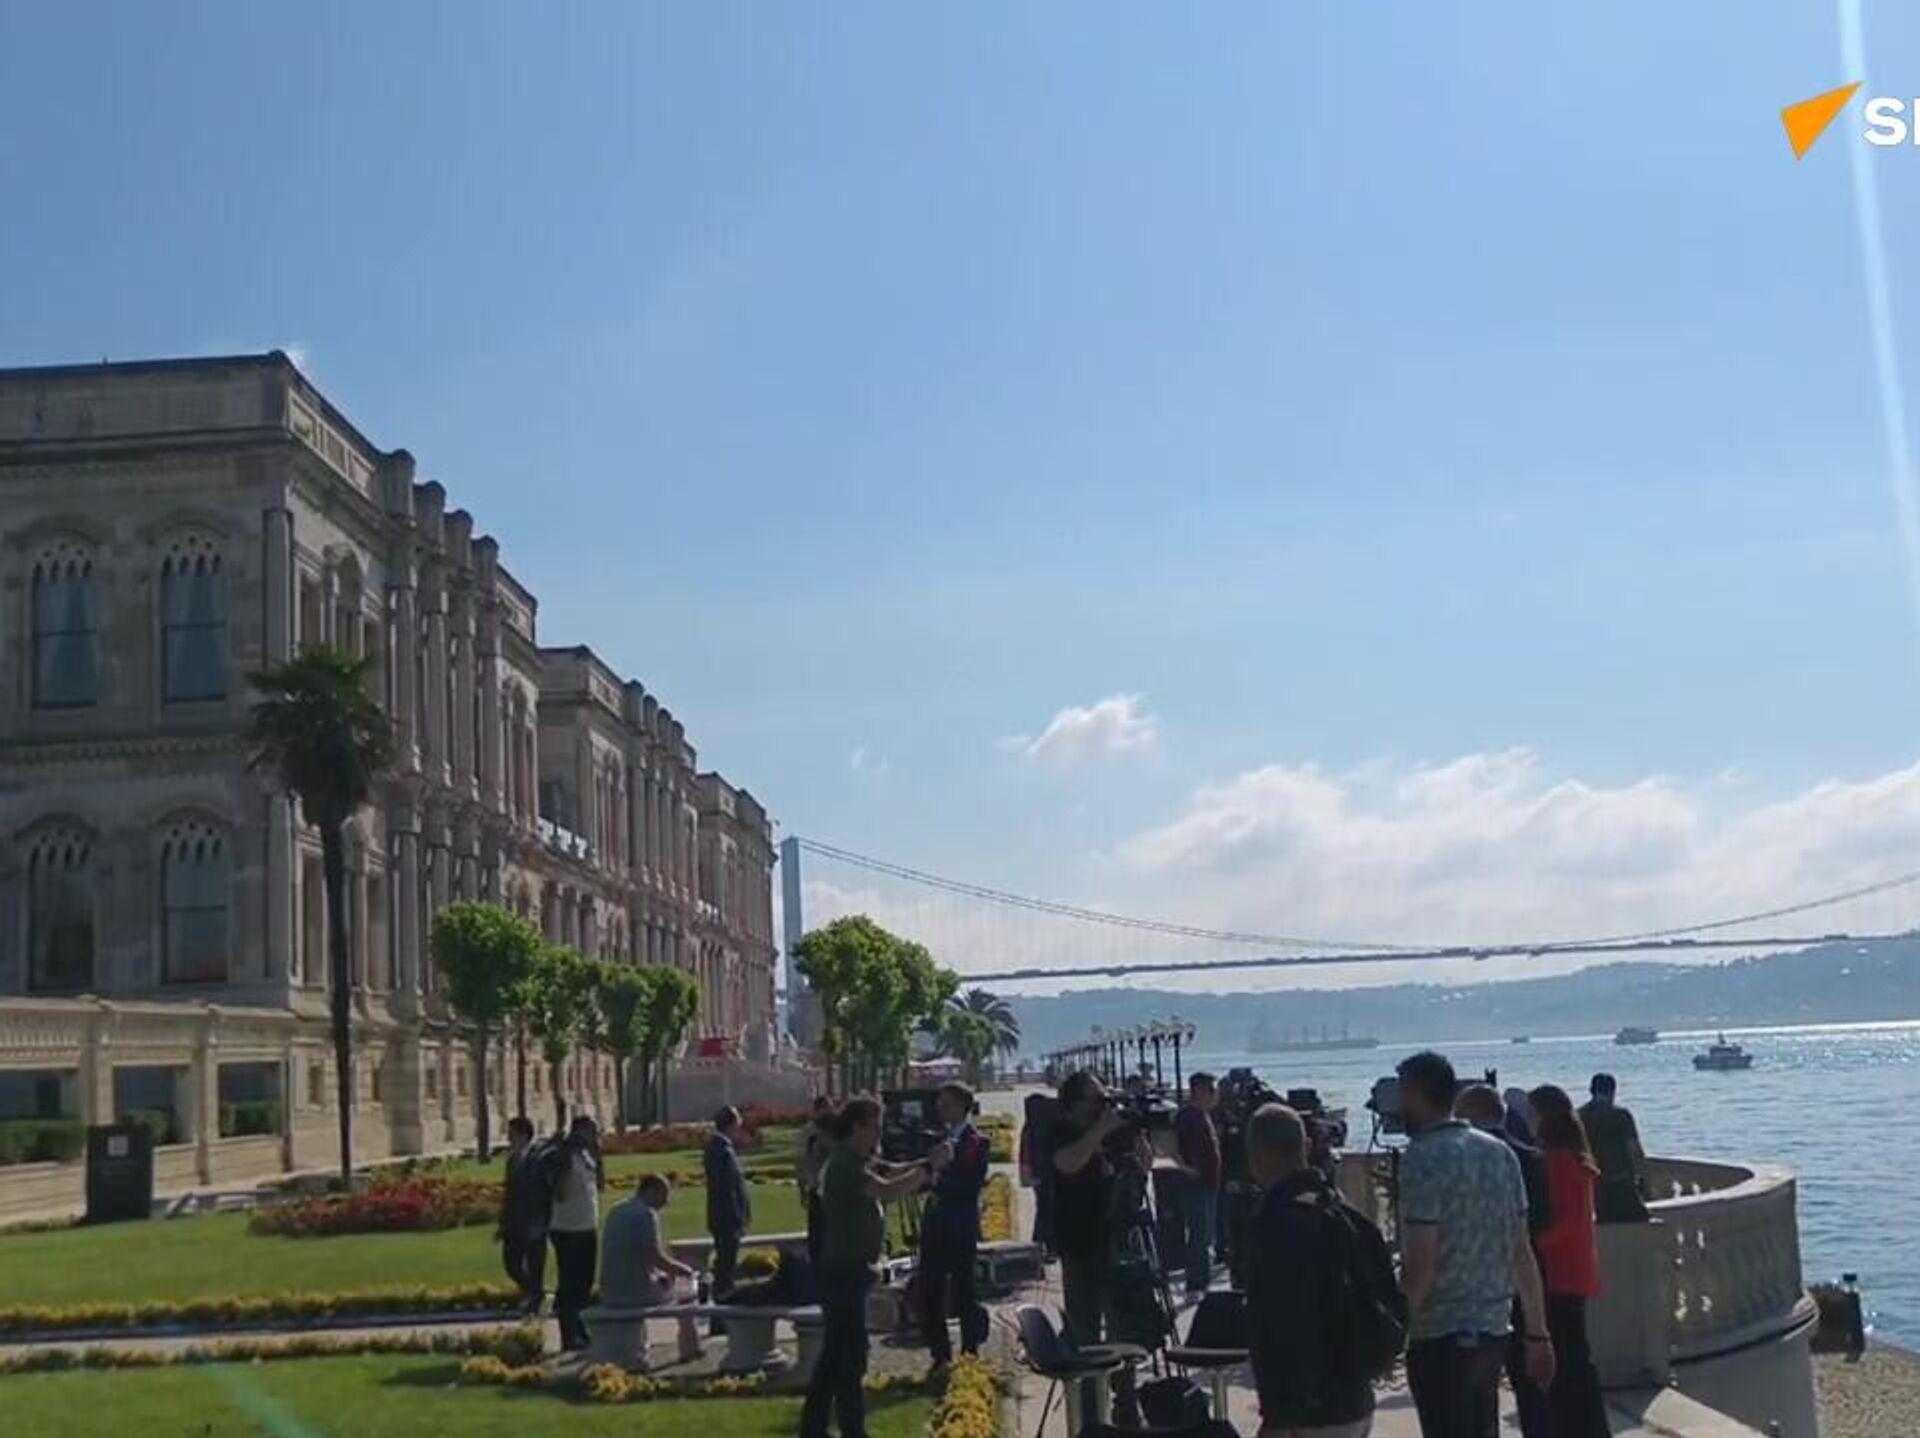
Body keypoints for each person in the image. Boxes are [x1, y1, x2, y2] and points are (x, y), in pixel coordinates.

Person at [1395, 1052, 1554, 1438]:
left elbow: (1421, 1265)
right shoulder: (1499, 1154)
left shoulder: (1422, 1158)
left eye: (1402, 1094)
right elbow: (1521, 1252)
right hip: (1494, 1331)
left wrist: (1391, 1334)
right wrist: (1538, 1333)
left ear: (1417, 1094)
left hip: (1441, 1334)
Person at [1243, 1102, 1380, 1438]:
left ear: (1256, 1155)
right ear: (1304, 1147)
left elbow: (1282, 1325)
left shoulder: (1277, 1224)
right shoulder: (1339, 1208)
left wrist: (1280, 1412)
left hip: (1308, 1411)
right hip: (1356, 1395)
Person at [803, 1096, 931, 1438]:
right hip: (844, 1271)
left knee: (835, 1355)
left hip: (848, 1270)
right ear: (857, 1127)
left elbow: (888, 1170)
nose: (878, 1133)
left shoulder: (856, 1159)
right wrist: (927, 1171)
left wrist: (922, 1162)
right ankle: (851, 1429)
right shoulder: (845, 1164)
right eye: (875, 1126)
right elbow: (886, 1191)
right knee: (850, 1357)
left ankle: (814, 1427)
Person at [1050, 1070, 1154, 1428]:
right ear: (1077, 1102)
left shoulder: (1111, 1132)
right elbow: (1067, 1163)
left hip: (1118, 1244)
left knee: (1124, 1326)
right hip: (1080, 1244)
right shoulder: (1061, 1130)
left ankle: (1127, 1406)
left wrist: (1137, 1137)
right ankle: (1091, 1417)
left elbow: (1142, 1168)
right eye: (1097, 1098)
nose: (1103, 1104)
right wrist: (1100, 1131)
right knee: (1085, 1332)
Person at [1454, 1084, 1549, 1438]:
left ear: (1472, 1116)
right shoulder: (1532, 1158)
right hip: (1530, 1279)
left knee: (1479, 1390)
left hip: (1480, 1286)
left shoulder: (1462, 1162)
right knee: (1533, 1386)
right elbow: (1544, 1220)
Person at [1527, 1085, 1612, 1438]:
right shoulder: (1577, 1157)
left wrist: (1529, 1247)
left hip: (1557, 1269)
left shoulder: (1554, 1161)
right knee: (1577, 1358)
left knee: (1565, 1363)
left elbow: (1560, 1221)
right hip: (1577, 1267)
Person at [919, 1082, 991, 1372]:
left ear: (962, 1106)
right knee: (929, 1289)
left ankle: (969, 1351)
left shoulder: (976, 1141)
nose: (940, 1108)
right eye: (939, 1103)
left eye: (946, 1103)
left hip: (959, 1225)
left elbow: (970, 1185)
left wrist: (937, 1178)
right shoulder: (938, 1138)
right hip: (935, 1223)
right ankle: (940, 1353)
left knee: (964, 1291)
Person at [545, 1114, 602, 1352]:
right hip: (568, 1228)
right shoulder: (565, 1155)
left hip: (586, 1225)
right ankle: (569, 1333)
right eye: (592, 1132)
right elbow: (559, 1192)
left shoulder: (586, 1155)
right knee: (570, 1283)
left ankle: (580, 1328)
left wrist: (597, 1155)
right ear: (579, 1131)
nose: (595, 1136)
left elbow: (598, 1185)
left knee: (584, 1283)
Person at [601, 1173, 695, 1308]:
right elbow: (655, 1257)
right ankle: (690, 1323)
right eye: (664, 1195)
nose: (666, 1202)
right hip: (636, 1294)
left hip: (609, 1292)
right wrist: (684, 1270)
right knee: (687, 1291)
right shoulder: (646, 1214)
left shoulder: (616, 1210)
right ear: (651, 1191)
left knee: (663, 1280)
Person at [1173, 1071, 1223, 1296]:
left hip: (1208, 1183)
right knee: (1199, 1235)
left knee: (1205, 1234)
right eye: (1211, 1090)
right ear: (1200, 1091)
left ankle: (1202, 1278)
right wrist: (1187, 1169)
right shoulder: (1188, 1116)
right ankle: (1196, 1282)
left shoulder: (1203, 1115)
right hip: (1196, 1184)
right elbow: (1173, 1146)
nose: (1215, 1094)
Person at [1579, 1074, 1649, 1223]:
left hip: (1593, 1184)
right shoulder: (1621, 1115)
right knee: (1639, 1222)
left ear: (1591, 1091)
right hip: (1621, 1181)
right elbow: (1634, 1150)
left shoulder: (1579, 1116)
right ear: (1613, 1091)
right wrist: (1644, 1179)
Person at [498, 1116, 549, 1315]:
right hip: (514, 1222)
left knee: (535, 1265)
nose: (509, 1138)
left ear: (523, 1135)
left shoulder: (538, 1158)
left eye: (512, 1134)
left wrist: (541, 1221)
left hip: (535, 1221)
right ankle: (535, 1293)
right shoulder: (512, 1160)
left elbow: (544, 1192)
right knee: (511, 1263)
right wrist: (503, 1223)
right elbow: (509, 1194)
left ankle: (535, 1299)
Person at [705, 1106, 753, 1304]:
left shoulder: (721, 1148)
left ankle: (722, 1304)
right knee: (726, 1266)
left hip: (724, 1217)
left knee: (726, 1265)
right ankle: (722, 1307)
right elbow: (726, 1189)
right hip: (727, 1218)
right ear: (731, 1125)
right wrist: (738, 1217)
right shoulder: (721, 1151)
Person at [798, 1095, 836, 1265]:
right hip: (816, 1188)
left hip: (833, 1189)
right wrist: (802, 1188)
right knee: (817, 1233)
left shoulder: (835, 1129)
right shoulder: (809, 1132)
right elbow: (801, 1161)